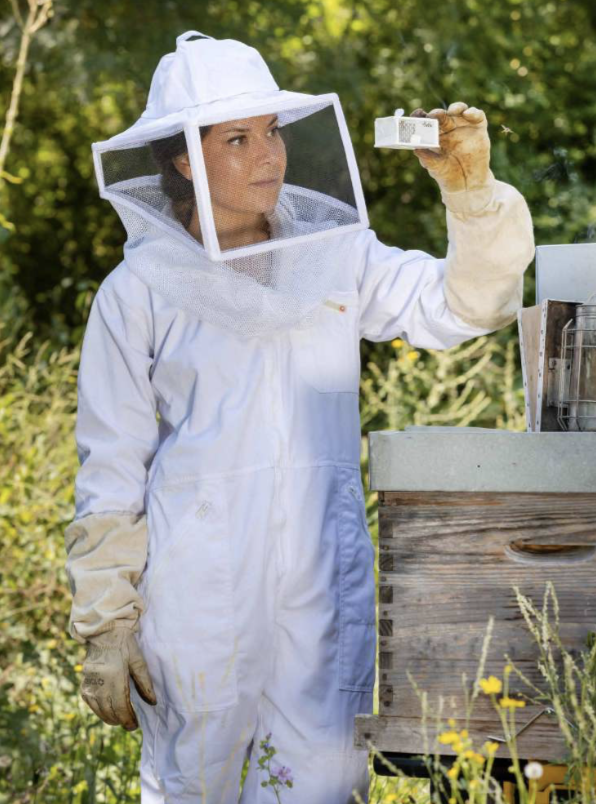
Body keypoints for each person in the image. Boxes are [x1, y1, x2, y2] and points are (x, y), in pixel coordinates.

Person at [63, 31, 534, 804]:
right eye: (238, 139)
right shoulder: (136, 291)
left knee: (318, 788)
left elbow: (465, 307)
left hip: (321, 589)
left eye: (273, 131)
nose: (269, 156)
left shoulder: (337, 255)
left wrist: (472, 194)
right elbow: (110, 471)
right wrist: (106, 622)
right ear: (184, 158)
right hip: (197, 603)